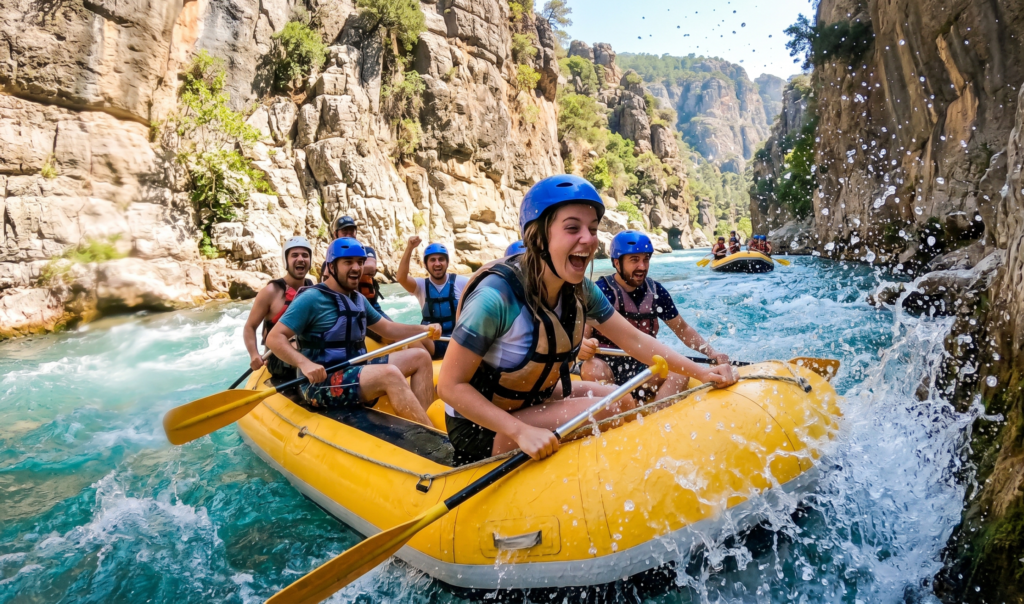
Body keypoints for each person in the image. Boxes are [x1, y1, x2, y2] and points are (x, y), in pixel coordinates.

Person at [436, 175, 737, 464]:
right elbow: (449, 386)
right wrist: (520, 431)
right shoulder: (495, 298)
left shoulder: (580, 289)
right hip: (480, 425)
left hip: (529, 398)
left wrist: (702, 372)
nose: (588, 239)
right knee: (605, 410)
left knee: (622, 402)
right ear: (537, 235)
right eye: (572, 228)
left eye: (592, 229)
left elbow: (633, 339)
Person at [267, 237, 438, 425]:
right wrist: (305, 364)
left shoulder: (358, 299)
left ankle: (426, 426)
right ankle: (434, 443)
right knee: (390, 374)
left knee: (421, 357)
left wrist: (424, 329)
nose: (356, 268)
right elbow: (274, 338)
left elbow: (388, 329)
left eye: (360, 262)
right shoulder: (311, 299)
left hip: (355, 368)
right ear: (332, 267)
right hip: (320, 382)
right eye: (348, 262)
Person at [581, 230, 729, 403]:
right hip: (605, 364)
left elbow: (683, 330)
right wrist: (582, 345)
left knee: (679, 373)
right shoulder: (601, 292)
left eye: (646, 259)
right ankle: (618, 413)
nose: (642, 267)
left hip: (642, 365)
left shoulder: (656, 291)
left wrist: (712, 352)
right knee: (592, 368)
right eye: (634, 260)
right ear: (617, 263)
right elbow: (582, 335)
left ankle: (656, 415)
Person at [242, 237, 315, 378]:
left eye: (305, 255)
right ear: (286, 260)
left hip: (308, 348)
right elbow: (249, 327)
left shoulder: (313, 288)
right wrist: (254, 354)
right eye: (294, 255)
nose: (301, 259)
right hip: (278, 357)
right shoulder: (271, 291)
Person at [396, 236, 469, 360]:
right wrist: (409, 248)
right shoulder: (420, 286)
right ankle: (426, 365)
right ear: (426, 264)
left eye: (441, 259)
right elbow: (401, 278)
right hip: (433, 343)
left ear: (447, 262)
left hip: (457, 342)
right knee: (410, 339)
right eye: (432, 260)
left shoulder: (461, 282)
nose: (437, 264)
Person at [319, 216, 358, 282]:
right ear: (335, 234)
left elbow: (371, 265)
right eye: (344, 231)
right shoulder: (328, 264)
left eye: (351, 230)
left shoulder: (362, 257)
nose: (348, 235)